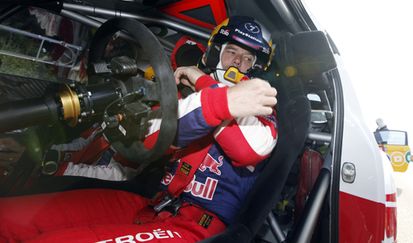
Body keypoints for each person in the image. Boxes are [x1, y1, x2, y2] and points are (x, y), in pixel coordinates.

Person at [0, 16, 278, 242]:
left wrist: (208, 86)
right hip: (153, 205)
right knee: (8, 218)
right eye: (231, 51)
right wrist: (213, 95)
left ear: (256, 68)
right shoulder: (192, 99)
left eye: (248, 58)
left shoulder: (262, 110)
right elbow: (149, 140)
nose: (238, 63)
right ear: (216, 52)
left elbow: (247, 149)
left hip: (196, 229)